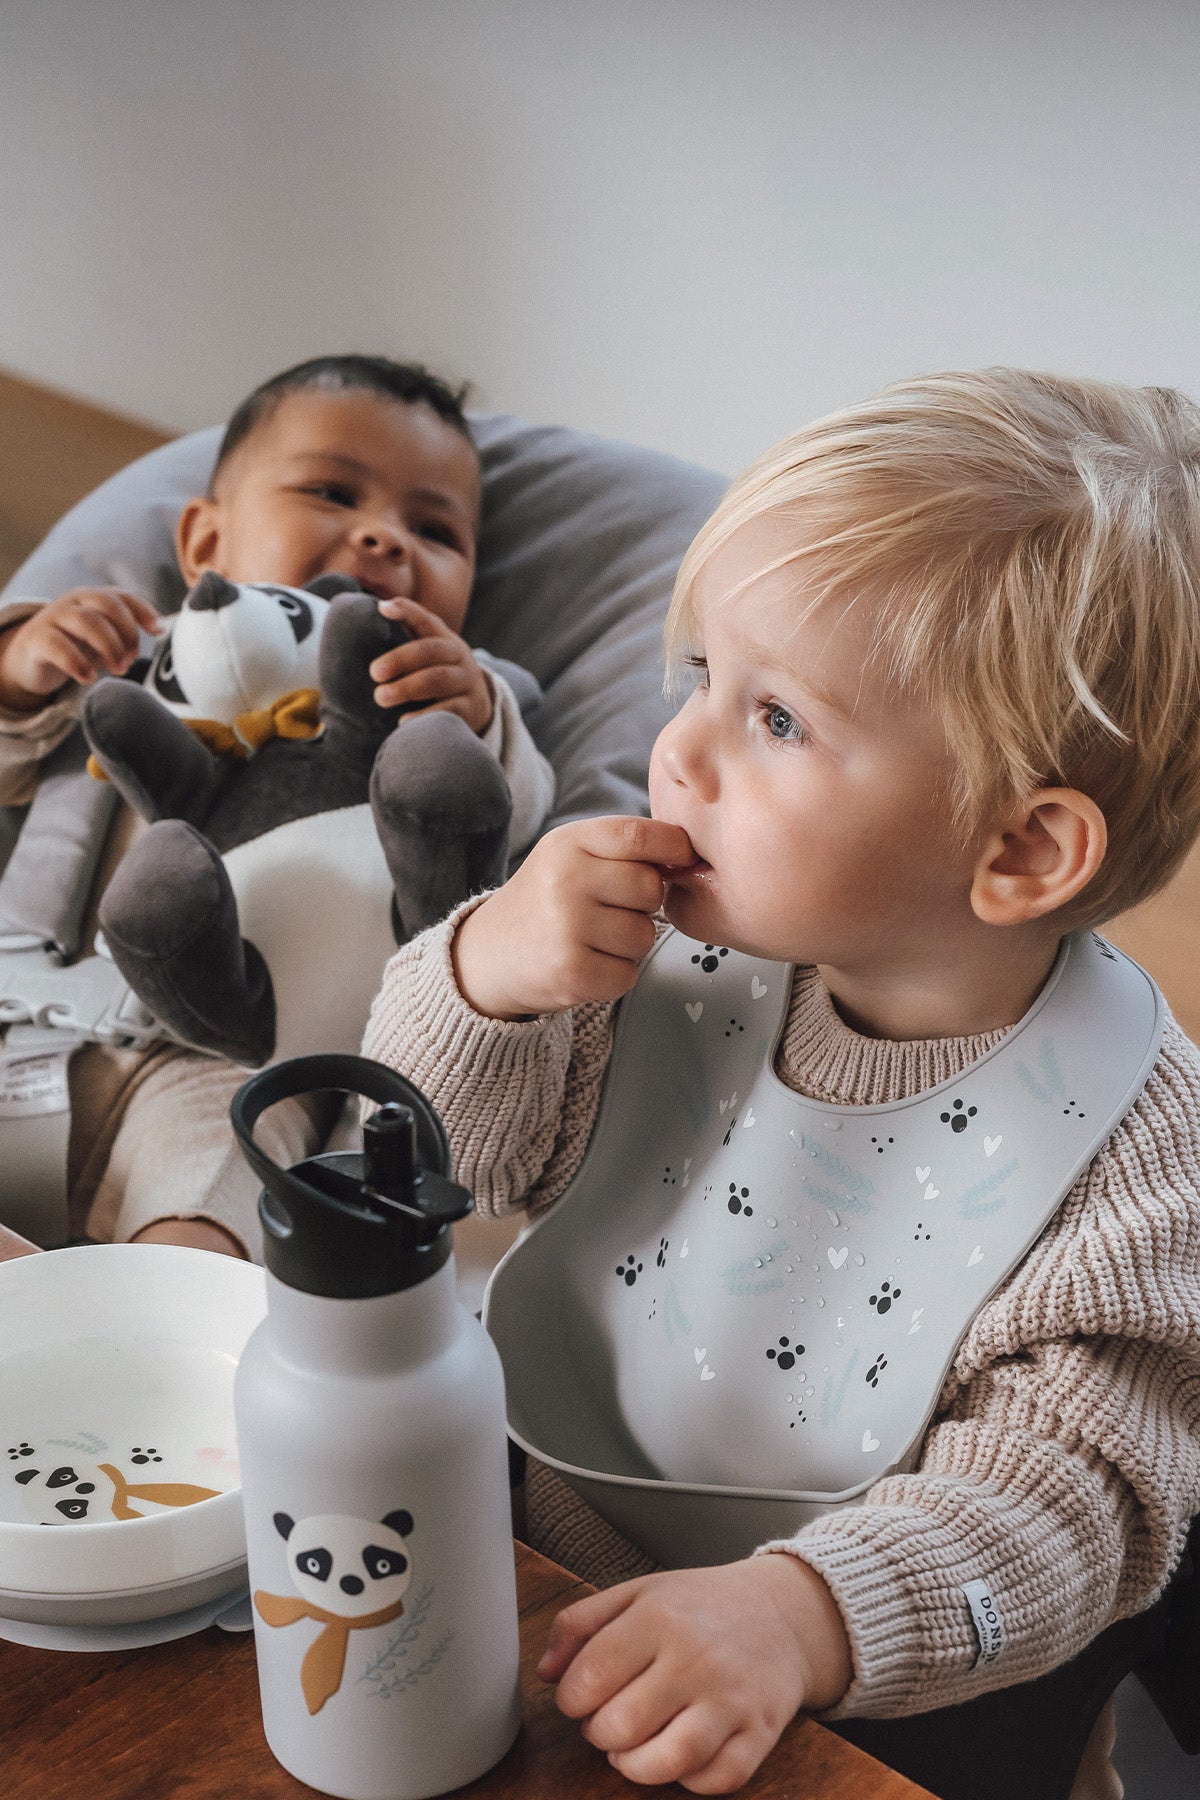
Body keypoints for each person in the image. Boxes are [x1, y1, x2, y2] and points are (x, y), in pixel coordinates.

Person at [363, 369, 1200, 1800]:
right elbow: (436, 1161)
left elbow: (1074, 1507)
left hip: (876, 1712)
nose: (676, 752)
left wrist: (801, 1616)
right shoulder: (663, 958)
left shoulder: (1139, 1165)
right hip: (531, 1589)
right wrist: (490, 976)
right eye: (699, 675)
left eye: (779, 721)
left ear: (1019, 853)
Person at [0, 354, 554, 1258]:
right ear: (204, 545)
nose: (384, 538)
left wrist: (477, 715)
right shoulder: (124, 652)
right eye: (333, 493)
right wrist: (20, 665)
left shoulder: (438, 689)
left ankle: (155, 1312)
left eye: (435, 530)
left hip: (240, 1055)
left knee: (222, 1196)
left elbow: (501, 820)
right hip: (27, 1006)